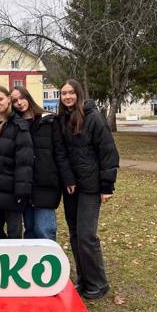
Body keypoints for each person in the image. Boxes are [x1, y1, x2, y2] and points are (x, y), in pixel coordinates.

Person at [59, 79, 119, 299]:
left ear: (79, 94)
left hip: (91, 187)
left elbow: (108, 153)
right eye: (63, 93)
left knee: (86, 235)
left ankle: (98, 282)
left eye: (71, 93)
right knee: (74, 234)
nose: (67, 97)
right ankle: (83, 279)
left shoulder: (93, 118)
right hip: (72, 187)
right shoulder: (63, 119)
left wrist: (107, 186)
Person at [10, 86, 75, 241]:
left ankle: (49, 264)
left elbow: (60, 152)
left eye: (21, 98)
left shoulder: (49, 120)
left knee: (44, 230)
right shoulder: (15, 124)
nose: (19, 103)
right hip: (25, 185)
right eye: (14, 101)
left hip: (46, 183)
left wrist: (68, 178)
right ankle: (32, 265)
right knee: (30, 230)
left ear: (28, 97)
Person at [0, 86, 34, 239]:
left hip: (12, 191)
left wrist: (22, 191)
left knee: (14, 234)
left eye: (0, 99)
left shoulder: (19, 126)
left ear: (8, 99)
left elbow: (24, 162)